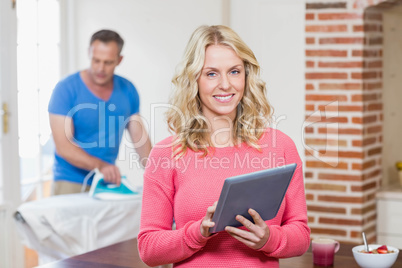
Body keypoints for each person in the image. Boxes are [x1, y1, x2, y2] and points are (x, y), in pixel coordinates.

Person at [137, 25, 310, 267]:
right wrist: (197, 233)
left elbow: (301, 236)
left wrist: (269, 239)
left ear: (246, 76)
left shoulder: (280, 146)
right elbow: (148, 249)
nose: (226, 84)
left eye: (234, 71)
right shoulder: (167, 154)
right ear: (193, 80)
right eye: (211, 74)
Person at [48, 29, 152, 195]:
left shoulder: (128, 90)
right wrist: (101, 166)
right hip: (70, 182)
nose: (100, 68)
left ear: (119, 60)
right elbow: (63, 147)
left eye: (108, 62)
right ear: (89, 53)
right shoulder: (66, 89)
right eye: (96, 60)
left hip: (106, 182)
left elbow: (140, 139)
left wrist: (157, 174)